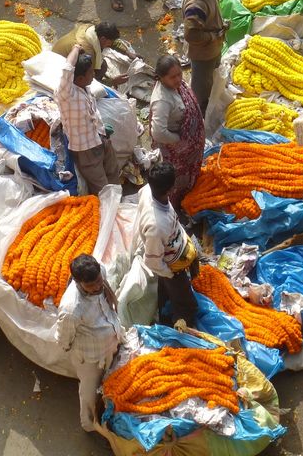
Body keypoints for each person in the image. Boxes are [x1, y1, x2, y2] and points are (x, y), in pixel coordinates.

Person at [55, 253, 125, 433]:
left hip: (110, 341)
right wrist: (78, 355)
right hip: (90, 358)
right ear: (78, 282)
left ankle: (106, 407)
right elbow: (64, 339)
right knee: (89, 391)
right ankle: (89, 423)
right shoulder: (71, 308)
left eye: (99, 281)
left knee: (112, 376)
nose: (97, 287)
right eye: (91, 285)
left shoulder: (99, 271)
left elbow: (105, 293)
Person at [136, 162, 200, 326]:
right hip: (172, 267)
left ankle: (165, 302)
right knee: (187, 304)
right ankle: (180, 325)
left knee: (168, 289)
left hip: (177, 245)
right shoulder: (156, 227)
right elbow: (152, 261)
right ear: (171, 188)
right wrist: (171, 275)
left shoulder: (146, 190)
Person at [55, 44, 118, 195]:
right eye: (91, 73)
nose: (94, 75)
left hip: (100, 139)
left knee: (113, 172)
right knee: (102, 187)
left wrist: (101, 129)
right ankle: (109, 209)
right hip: (86, 150)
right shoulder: (67, 94)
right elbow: (67, 69)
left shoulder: (85, 88)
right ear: (80, 77)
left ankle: (118, 199)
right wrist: (75, 48)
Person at [149, 57, 205, 209]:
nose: (179, 79)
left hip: (189, 146)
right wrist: (180, 140)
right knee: (177, 178)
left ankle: (189, 191)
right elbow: (158, 132)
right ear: (161, 77)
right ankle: (177, 204)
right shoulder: (162, 100)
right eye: (173, 77)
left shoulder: (176, 86)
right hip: (177, 148)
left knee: (189, 174)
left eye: (179, 74)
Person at [177, 0, 226, 112]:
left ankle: (209, 95)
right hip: (204, 52)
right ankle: (198, 110)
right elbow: (191, 35)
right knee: (201, 84)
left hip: (213, 44)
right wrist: (213, 36)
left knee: (212, 75)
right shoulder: (197, 5)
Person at [52, 21, 133, 82]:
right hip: (59, 72)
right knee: (102, 67)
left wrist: (127, 53)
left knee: (102, 64)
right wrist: (113, 82)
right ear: (103, 39)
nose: (110, 44)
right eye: (110, 42)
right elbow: (86, 80)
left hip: (56, 53)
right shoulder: (87, 53)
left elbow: (112, 42)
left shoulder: (88, 27)